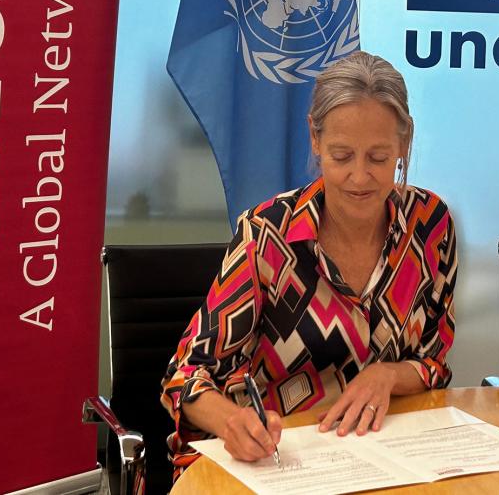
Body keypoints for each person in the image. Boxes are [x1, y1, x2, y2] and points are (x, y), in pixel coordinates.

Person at [161, 51, 458, 476]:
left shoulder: (430, 224)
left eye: (378, 158)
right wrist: (232, 422)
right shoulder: (267, 234)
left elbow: (434, 365)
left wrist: (388, 376)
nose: (359, 177)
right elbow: (186, 376)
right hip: (270, 460)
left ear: (404, 143)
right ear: (315, 140)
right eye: (341, 156)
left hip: (385, 458)